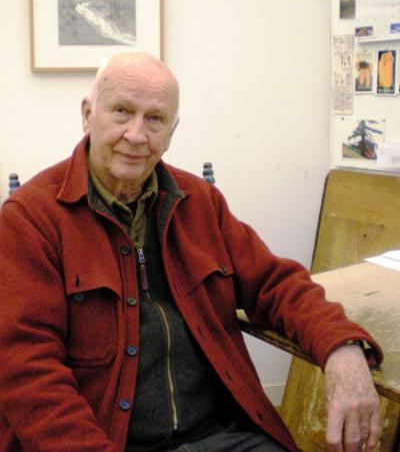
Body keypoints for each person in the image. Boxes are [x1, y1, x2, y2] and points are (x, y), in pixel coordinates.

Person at [0, 53, 383, 452]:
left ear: (172, 131)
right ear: (87, 114)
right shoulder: (31, 219)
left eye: (155, 119)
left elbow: (277, 284)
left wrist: (342, 349)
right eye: (121, 111)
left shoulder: (199, 203)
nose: (136, 134)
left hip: (219, 435)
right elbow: (26, 369)